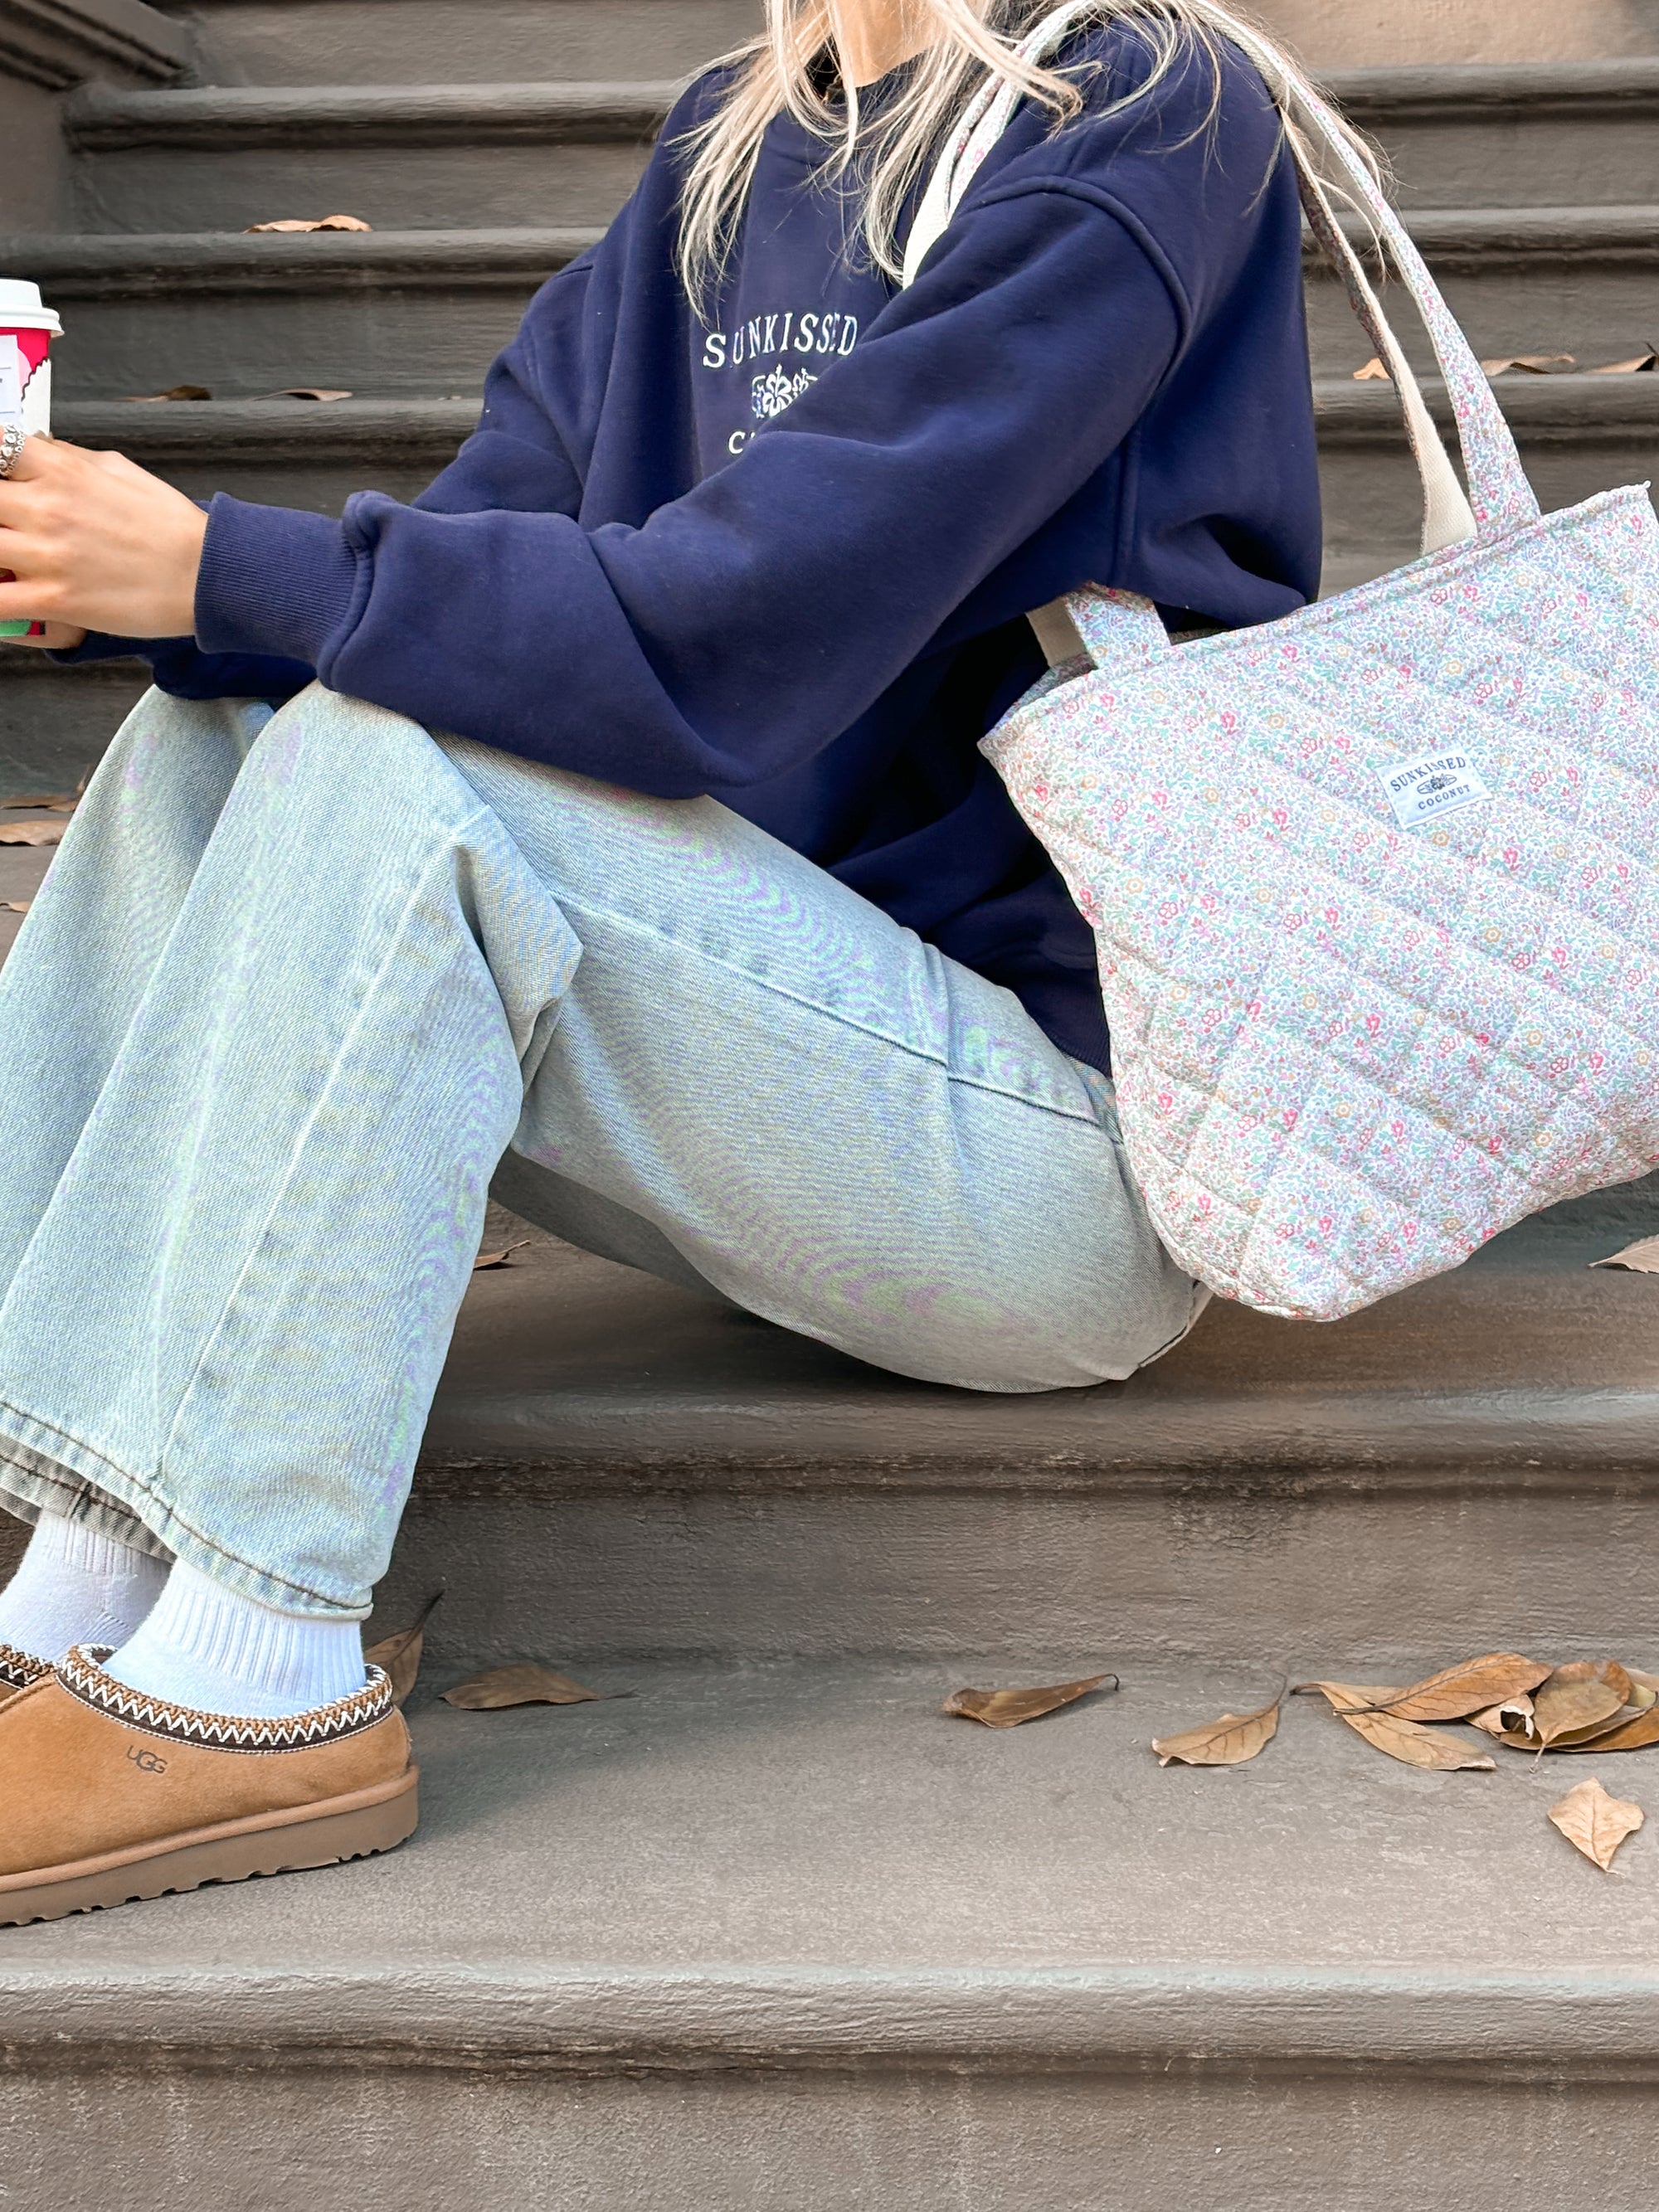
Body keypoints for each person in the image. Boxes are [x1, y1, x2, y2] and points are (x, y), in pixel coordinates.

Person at [0, 0, 1340, 1922]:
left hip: (1055, 1167)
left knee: (400, 764)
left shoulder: (1139, 102)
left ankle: (255, 1656)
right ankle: (73, 1580)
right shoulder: (735, 140)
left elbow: (751, 623)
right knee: (220, 738)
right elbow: (467, 570)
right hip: (768, 1084)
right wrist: (121, 576)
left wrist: (227, 563)